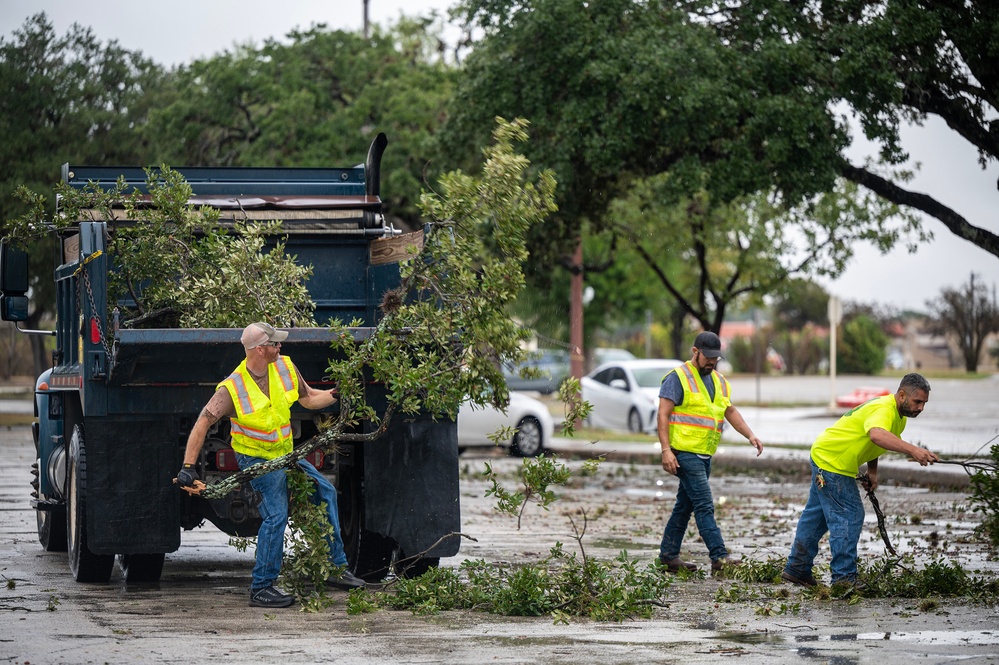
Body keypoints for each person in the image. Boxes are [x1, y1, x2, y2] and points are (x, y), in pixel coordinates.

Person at [176, 322, 365, 608]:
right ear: (260, 349)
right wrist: (189, 466)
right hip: (256, 460)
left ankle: (336, 569)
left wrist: (336, 394)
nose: (280, 347)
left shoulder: (285, 367)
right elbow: (204, 420)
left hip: (284, 455)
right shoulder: (233, 388)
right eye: (275, 344)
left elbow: (310, 397)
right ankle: (261, 587)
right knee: (276, 515)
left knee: (324, 491)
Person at [783, 372, 939, 590]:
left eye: (924, 403)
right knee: (850, 514)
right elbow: (877, 435)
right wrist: (913, 450)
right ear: (902, 395)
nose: (921, 407)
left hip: (825, 455)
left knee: (816, 517)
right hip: (833, 463)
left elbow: (876, 442)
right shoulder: (884, 409)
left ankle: (797, 569)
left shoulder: (898, 416)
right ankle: (844, 578)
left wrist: (872, 471)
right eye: (918, 402)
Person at [657, 331, 764, 573]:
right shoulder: (678, 378)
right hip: (684, 453)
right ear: (695, 352)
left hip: (704, 454)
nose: (712, 362)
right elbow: (662, 414)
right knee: (704, 505)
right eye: (708, 357)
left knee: (684, 507)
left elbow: (730, 411)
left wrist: (750, 435)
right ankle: (719, 557)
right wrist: (666, 450)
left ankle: (668, 556)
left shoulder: (719, 381)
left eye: (716, 358)